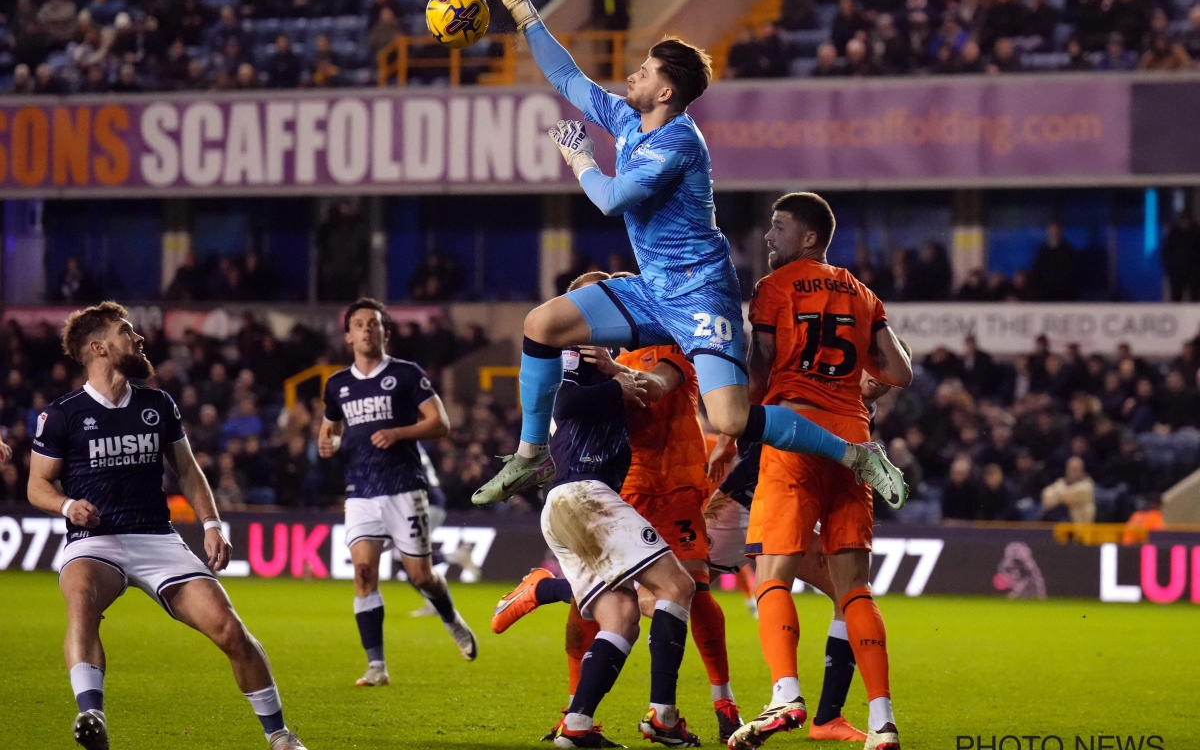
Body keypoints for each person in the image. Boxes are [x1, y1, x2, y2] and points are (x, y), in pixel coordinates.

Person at [475, 0, 909, 513]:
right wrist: (524, 14)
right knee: (540, 325)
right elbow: (568, 78)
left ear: (665, 91)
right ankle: (532, 453)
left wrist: (580, 158)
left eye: (645, 70)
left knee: (729, 418)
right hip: (654, 288)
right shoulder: (631, 119)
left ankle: (855, 455)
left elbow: (611, 199)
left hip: (701, 294)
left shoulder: (677, 142)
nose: (631, 75)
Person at [25, 302, 307, 750]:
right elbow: (37, 484)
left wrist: (213, 523)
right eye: (126, 331)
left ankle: (280, 735)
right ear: (99, 347)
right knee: (81, 600)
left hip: (157, 536)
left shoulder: (158, 404)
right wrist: (65, 506)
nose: (138, 338)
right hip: (96, 539)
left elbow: (189, 472)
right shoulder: (63, 414)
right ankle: (91, 714)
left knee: (229, 630)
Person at [494, 303, 744, 743]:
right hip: (609, 494)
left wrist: (615, 373)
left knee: (641, 605)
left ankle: (584, 722)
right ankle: (640, 714)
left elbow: (654, 386)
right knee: (664, 592)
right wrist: (610, 374)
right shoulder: (580, 360)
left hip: (671, 489)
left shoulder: (667, 346)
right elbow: (565, 402)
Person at [726, 192, 911, 750]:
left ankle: (786, 694)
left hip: (796, 436)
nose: (768, 237)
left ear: (809, 238)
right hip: (856, 439)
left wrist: (737, 407)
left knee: (773, 573)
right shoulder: (862, 291)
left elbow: (757, 376)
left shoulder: (772, 289)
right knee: (855, 590)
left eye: (779, 227)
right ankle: (882, 722)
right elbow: (899, 370)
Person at [705, 361, 904, 743]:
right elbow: (749, 402)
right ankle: (703, 702)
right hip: (745, 500)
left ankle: (826, 717)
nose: (879, 382)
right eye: (873, 372)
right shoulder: (811, 382)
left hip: (793, 501)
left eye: (887, 383)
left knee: (844, 594)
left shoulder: (862, 415)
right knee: (669, 594)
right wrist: (727, 440)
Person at [318, 298, 476, 685]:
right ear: (348, 335)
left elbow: (440, 423)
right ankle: (376, 665)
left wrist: (399, 432)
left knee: (421, 576)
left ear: (385, 333)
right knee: (363, 572)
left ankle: (451, 618)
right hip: (360, 491)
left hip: (404, 486)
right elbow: (331, 428)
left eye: (373, 323)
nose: (367, 329)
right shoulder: (337, 384)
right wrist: (327, 442)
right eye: (359, 324)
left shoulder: (406, 374)